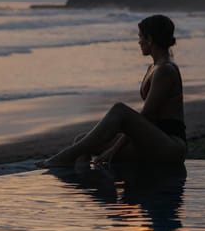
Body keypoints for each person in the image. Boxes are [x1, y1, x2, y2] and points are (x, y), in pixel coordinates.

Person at [42, 14, 187, 168]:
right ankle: (84, 183)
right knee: (81, 141)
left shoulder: (165, 70)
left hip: (171, 146)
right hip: (152, 141)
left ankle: (63, 157)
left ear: (150, 39)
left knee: (120, 110)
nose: (138, 42)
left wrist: (114, 149)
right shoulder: (154, 67)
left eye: (140, 37)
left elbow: (147, 116)